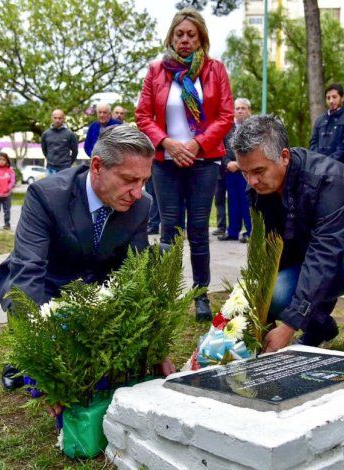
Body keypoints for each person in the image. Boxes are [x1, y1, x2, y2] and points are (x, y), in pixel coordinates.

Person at [233, 115, 344, 355]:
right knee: (274, 292)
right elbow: (270, 250)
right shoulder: (259, 188)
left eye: (258, 171)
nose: (252, 181)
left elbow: (325, 251)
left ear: (284, 157)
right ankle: (319, 328)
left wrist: (289, 325)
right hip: (317, 258)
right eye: (244, 173)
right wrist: (261, 318)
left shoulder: (329, 180)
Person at [135, 8, 234, 321]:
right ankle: (166, 295)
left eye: (191, 34)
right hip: (166, 162)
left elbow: (226, 116)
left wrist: (196, 144)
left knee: (199, 229)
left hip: (204, 161)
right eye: (180, 34)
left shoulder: (215, 70)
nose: (185, 40)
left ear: (201, 38)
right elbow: (143, 116)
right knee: (170, 229)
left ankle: (200, 294)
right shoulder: (156, 71)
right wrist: (167, 143)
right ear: (171, 37)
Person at [0, 124, 154, 310]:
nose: (137, 193)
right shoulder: (46, 196)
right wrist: (33, 319)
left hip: (99, 297)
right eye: (129, 180)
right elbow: (28, 268)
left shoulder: (141, 204)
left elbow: (135, 269)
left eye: (144, 181)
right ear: (97, 166)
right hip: (47, 289)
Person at [218, 97, 252, 243]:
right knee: (232, 202)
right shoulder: (227, 129)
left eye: (243, 108)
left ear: (249, 111)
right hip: (230, 171)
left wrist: (239, 164)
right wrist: (227, 163)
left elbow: (254, 149)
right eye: (237, 108)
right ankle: (232, 232)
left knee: (247, 202)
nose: (240, 111)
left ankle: (250, 232)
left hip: (248, 172)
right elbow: (222, 149)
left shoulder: (253, 129)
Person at [309, 83, 344, 168]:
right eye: (328, 98)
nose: (331, 101)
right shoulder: (319, 120)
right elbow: (313, 143)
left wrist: (327, 162)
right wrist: (318, 160)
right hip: (320, 167)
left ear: (342, 98)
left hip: (341, 167)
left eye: (334, 97)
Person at [41, 109, 78, 174]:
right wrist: (50, 159)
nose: (57, 120)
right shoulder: (45, 134)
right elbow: (44, 150)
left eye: (60, 118)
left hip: (65, 169)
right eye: (55, 118)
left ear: (63, 119)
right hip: (50, 169)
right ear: (51, 118)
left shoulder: (70, 134)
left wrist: (69, 164)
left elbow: (75, 151)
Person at [0, 152, 15, 230]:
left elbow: (12, 181)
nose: (1, 161)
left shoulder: (10, 171)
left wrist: (8, 188)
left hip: (7, 195)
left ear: (7, 161)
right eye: (0, 159)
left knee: (7, 210)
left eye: (3, 160)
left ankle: (7, 224)